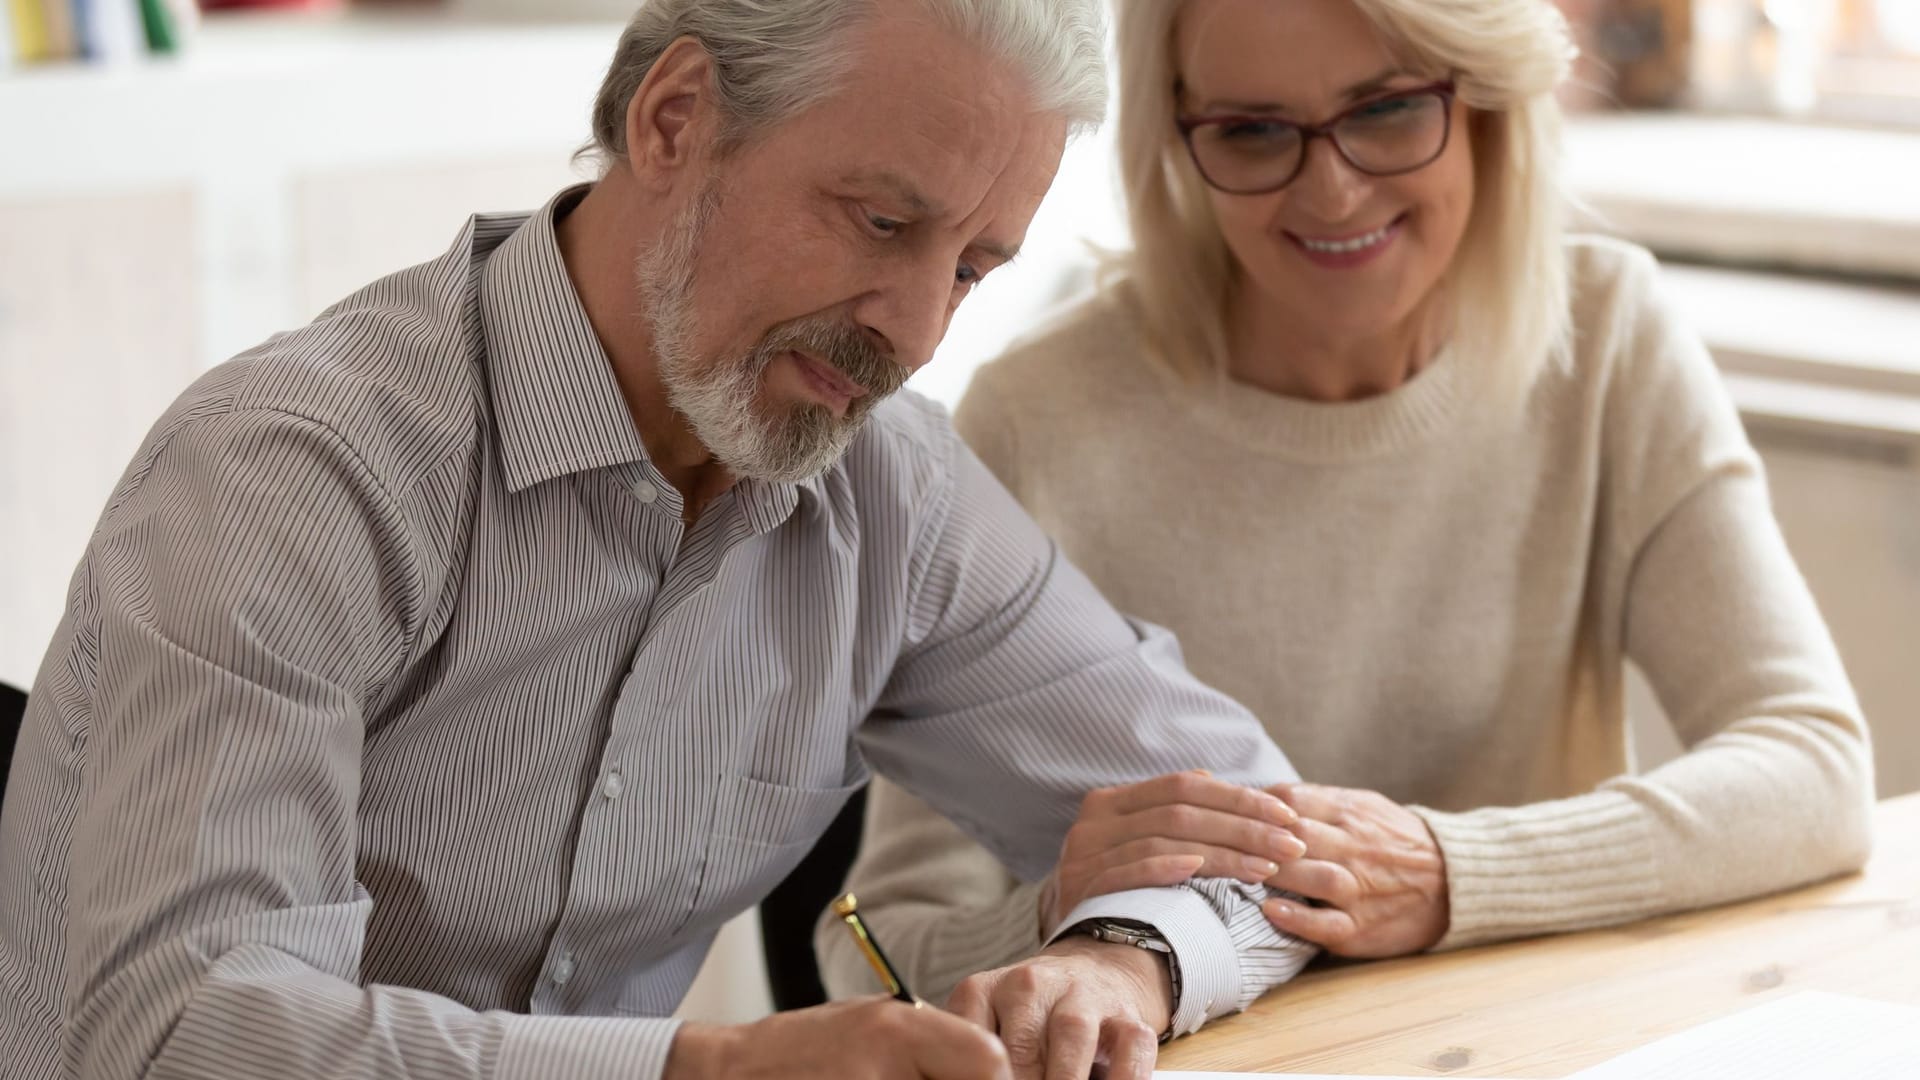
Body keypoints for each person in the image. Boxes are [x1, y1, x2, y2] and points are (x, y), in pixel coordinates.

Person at [0, 3, 1325, 1079]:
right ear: (675, 118)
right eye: (880, 222)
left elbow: (1274, 841)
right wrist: (715, 1071)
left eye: (973, 265)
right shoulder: (293, 475)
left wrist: (1121, 960)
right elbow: (177, 1035)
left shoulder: (889, 488)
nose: (918, 331)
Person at [819, 0, 1876, 1006]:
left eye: (1385, 109)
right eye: (1251, 131)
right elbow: (874, 951)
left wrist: (1445, 874)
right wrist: (1068, 918)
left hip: (1544, 1039)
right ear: (1178, 137)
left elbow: (1813, 766)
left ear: (1489, 99)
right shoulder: (1039, 413)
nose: (1329, 193)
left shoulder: (1608, 335)